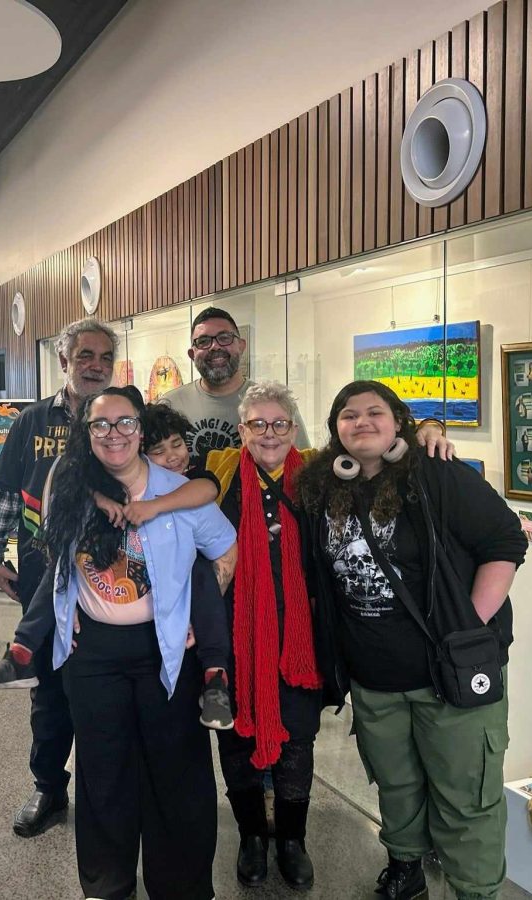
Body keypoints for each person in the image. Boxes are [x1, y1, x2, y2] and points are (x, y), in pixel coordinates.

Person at [296, 380, 527, 900]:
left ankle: (474, 889)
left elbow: (506, 542)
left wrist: (466, 629)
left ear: (399, 421)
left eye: (374, 412)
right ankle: (405, 864)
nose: (361, 423)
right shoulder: (322, 487)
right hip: (375, 679)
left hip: (450, 678)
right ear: (335, 431)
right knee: (396, 784)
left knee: (466, 796)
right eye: (348, 415)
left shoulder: (436, 476)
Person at [44, 386, 237, 900]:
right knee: (102, 772)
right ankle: (107, 886)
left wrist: (197, 612)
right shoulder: (69, 488)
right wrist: (69, 611)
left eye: (125, 423)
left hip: (164, 651)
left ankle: (182, 887)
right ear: (87, 434)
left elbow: (225, 549)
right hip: (93, 655)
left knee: (177, 773)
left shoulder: (178, 490)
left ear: (140, 430)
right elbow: (55, 555)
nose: (114, 435)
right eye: (101, 425)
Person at [0, 398, 239, 731]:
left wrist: (156, 506)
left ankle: (216, 674)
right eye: (159, 451)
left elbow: (207, 489)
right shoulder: (96, 481)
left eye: (178, 445)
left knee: (201, 574)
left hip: (178, 597)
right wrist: (99, 497)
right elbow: (71, 478)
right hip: (102, 638)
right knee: (59, 569)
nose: (172, 457)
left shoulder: (188, 483)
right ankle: (22, 649)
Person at [0, 316, 116, 838]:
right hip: (41, 576)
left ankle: (108, 793)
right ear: (63, 361)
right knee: (49, 692)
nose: (95, 366)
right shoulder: (31, 421)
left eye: (104, 358)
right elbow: (7, 492)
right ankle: (48, 787)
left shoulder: (123, 415)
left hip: (110, 583)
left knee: (101, 692)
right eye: (85, 357)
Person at [200, 380, 322, 890]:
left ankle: (291, 839)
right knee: (234, 736)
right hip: (233, 636)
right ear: (242, 430)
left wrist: (425, 429)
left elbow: (377, 452)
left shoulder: (317, 475)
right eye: (258, 424)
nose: (269, 434)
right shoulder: (218, 473)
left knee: (298, 739)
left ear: (293, 429)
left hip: (300, 640)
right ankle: (252, 836)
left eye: (279, 424)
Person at [161, 307, 311, 460]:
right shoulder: (170, 404)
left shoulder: (275, 402)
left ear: (241, 346)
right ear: (192, 354)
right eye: (203, 341)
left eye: (224, 338)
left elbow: (303, 466)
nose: (215, 346)